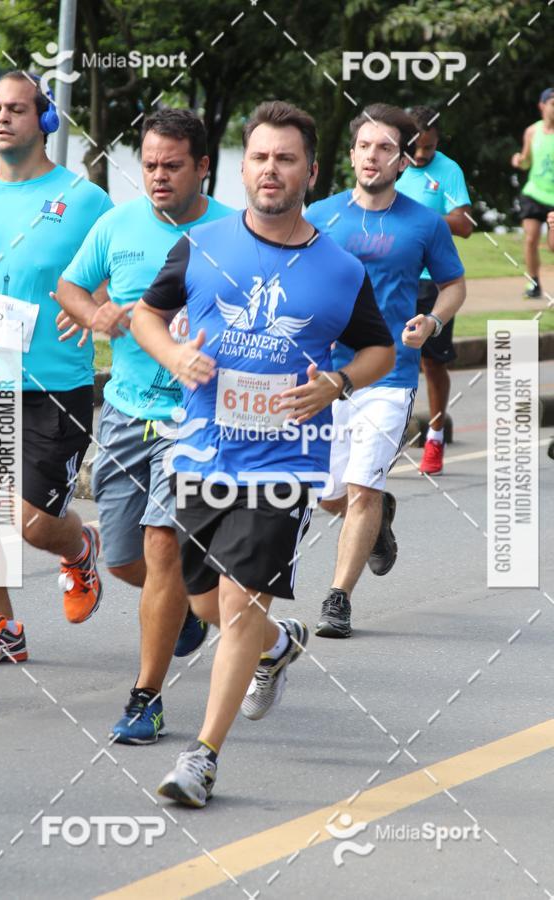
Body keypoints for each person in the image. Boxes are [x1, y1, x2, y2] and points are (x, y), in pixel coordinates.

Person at [131, 100, 395, 806]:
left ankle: (202, 755)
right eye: (259, 156)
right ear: (242, 166)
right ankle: (277, 644)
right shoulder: (203, 244)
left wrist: (337, 382)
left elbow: (380, 348)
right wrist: (173, 354)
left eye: (284, 158)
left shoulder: (340, 269)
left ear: (311, 170)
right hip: (200, 452)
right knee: (206, 601)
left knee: (241, 601)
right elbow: (146, 314)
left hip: (285, 462)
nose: (270, 169)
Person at [56, 109, 233, 743]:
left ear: (202, 166)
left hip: (197, 418)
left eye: (172, 166)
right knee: (129, 556)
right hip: (128, 412)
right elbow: (70, 287)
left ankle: (145, 698)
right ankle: (200, 611)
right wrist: (97, 312)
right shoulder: (117, 224)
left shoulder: (234, 233)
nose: (157, 177)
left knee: (162, 545)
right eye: (149, 165)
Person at [0, 71, 113, 666]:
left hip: (53, 384)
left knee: (31, 525)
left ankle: (79, 548)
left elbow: (118, 270)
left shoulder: (85, 199)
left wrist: (98, 306)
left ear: (45, 121)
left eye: (17, 109)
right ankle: (1, 628)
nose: (1, 118)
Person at [306, 103, 466, 639]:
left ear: (402, 162)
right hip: (323, 375)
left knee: (362, 488)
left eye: (385, 149)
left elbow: (453, 285)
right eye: (365, 146)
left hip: (389, 373)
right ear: (352, 155)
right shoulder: (320, 215)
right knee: (328, 494)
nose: (373, 156)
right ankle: (379, 520)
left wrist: (433, 322)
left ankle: (337, 598)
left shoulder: (423, 223)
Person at [397, 105, 473, 474]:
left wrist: (424, 219)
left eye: (429, 147)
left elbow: (466, 223)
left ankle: (436, 434)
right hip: (394, 277)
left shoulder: (448, 170)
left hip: (434, 280)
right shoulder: (389, 165)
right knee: (387, 356)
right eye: (416, 147)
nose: (422, 154)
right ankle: (388, 434)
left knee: (431, 361)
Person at [511, 87, 554, 299]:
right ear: (542, 106)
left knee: (553, 246)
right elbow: (527, 162)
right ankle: (534, 283)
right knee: (530, 239)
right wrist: (519, 160)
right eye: (553, 104)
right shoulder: (532, 131)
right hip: (534, 193)